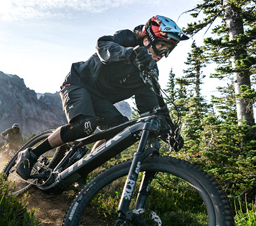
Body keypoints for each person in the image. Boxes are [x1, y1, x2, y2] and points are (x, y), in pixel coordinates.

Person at [15, 15, 188, 180]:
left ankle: (80, 169)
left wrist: (169, 133)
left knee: (120, 133)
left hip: (100, 100)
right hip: (78, 83)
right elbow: (103, 46)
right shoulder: (126, 38)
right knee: (85, 126)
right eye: (162, 46)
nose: (163, 54)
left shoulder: (148, 71)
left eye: (169, 50)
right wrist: (131, 54)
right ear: (147, 39)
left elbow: (152, 106)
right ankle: (31, 154)